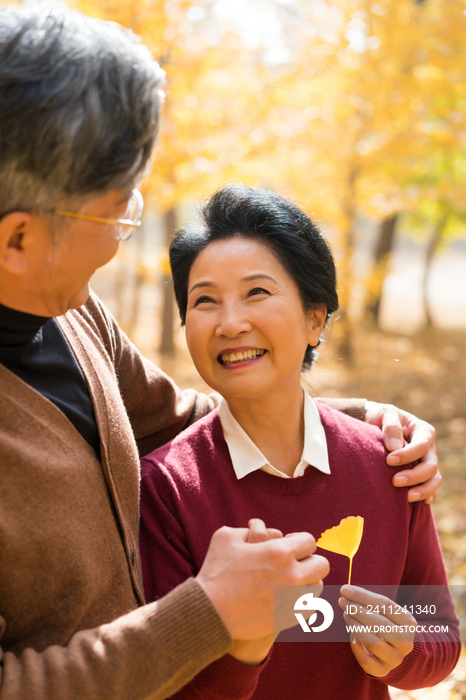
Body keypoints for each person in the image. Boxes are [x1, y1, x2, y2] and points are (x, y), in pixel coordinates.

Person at [0, 5, 441, 699]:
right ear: (18, 240)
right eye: (115, 210)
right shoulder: (175, 492)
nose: (123, 236)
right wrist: (208, 617)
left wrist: (368, 427)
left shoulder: (71, 312)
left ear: (317, 316)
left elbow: (188, 413)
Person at [139, 184, 460, 700]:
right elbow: (170, 688)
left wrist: (406, 654)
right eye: (204, 301)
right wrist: (248, 640)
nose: (231, 323)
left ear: (315, 318)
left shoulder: (391, 464)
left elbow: (440, 640)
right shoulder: (164, 488)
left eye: (257, 293)